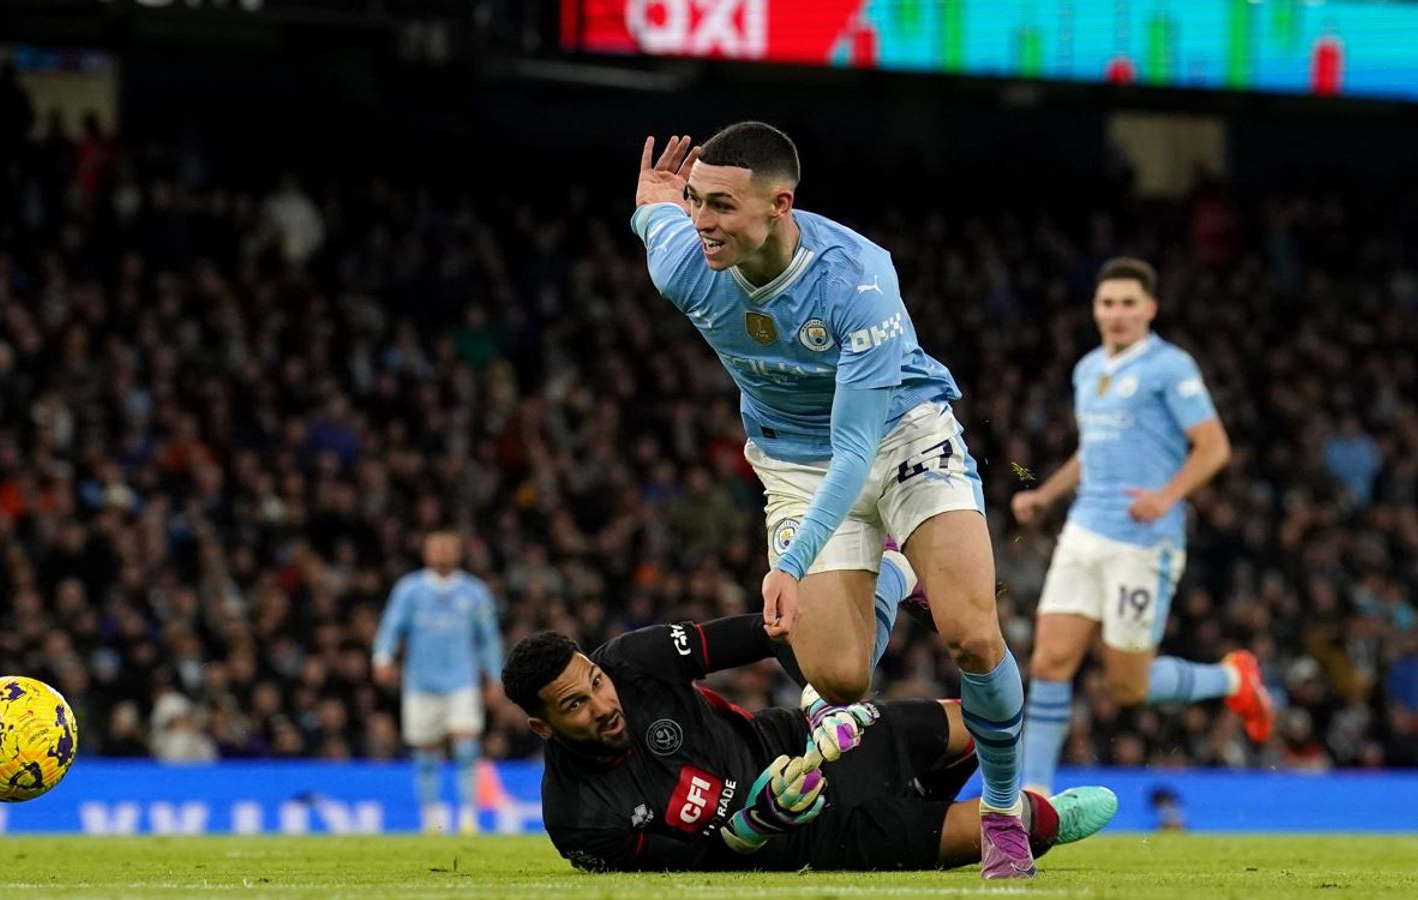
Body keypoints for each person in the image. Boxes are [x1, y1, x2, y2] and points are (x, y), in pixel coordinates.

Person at [632, 122, 1033, 876]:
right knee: (842, 678)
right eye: (693, 201)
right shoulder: (683, 262)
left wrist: (790, 563)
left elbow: (857, 451)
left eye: (721, 205)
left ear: (780, 204)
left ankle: (1004, 813)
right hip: (792, 460)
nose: (701, 221)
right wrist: (650, 208)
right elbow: (653, 215)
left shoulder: (856, 279)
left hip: (900, 435)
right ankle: (893, 574)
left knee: (973, 636)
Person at [502, 616, 1117, 873]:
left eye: (596, 683)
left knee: (980, 719)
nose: (604, 704)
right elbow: (692, 872)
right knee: (1029, 824)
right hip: (823, 842)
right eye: (576, 705)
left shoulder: (636, 661)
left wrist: (822, 702)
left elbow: (769, 632)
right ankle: (1033, 816)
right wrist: (753, 825)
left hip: (810, 740)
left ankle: (927, 787)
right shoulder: (577, 817)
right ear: (543, 727)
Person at [1012, 257, 1274, 794]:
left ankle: (1232, 679)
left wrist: (1166, 496)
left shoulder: (1170, 367)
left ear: (1150, 308)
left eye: (1129, 303)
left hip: (1142, 543)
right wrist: (1045, 494)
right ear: (1095, 309)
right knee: (1049, 662)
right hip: (1084, 530)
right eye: (1108, 303)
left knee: (1127, 686)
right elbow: (1093, 451)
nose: (1117, 313)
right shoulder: (1088, 369)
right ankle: (1032, 798)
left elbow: (1214, 446)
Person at [373, 530, 504, 834]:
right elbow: (391, 626)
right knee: (425, 753)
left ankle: (469, 819)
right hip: (420, 683)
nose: (443, 552)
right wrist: (382, 658)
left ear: (458, 552)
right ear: (426, 552)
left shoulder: (474, 592)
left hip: (462, 682)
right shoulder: (410, 589)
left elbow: (488, 639)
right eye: (437, 547)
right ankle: (431, 820)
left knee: (466, 748)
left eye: (449, 547)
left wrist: (495, 678)